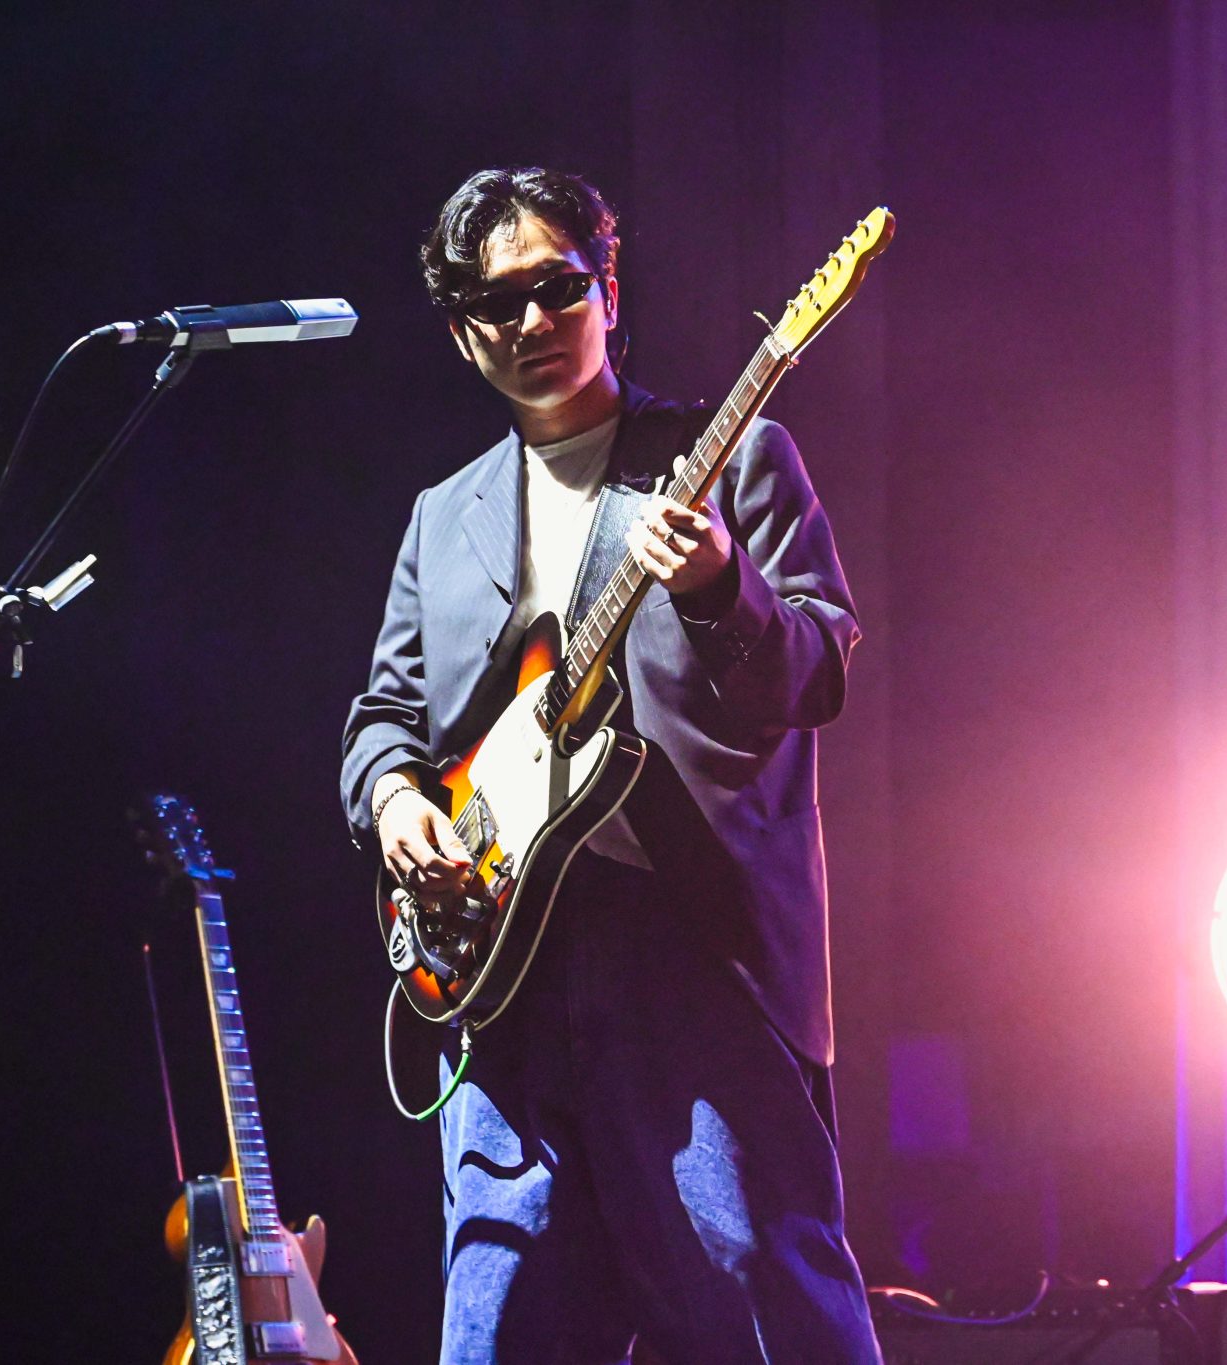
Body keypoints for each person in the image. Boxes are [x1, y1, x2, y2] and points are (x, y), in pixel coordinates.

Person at [341, 166, 881, 1363]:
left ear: (609, 289)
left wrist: (719, 584)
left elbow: (815, 675)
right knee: (498, 1323)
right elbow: (382, 713)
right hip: (501, 980)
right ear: (460, 333)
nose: (533, 319)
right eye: (499, 303)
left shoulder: (734, 456)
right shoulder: (441, 516)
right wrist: (392, 799)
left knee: (749, 1304)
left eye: (558, 286)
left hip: (693, 961)